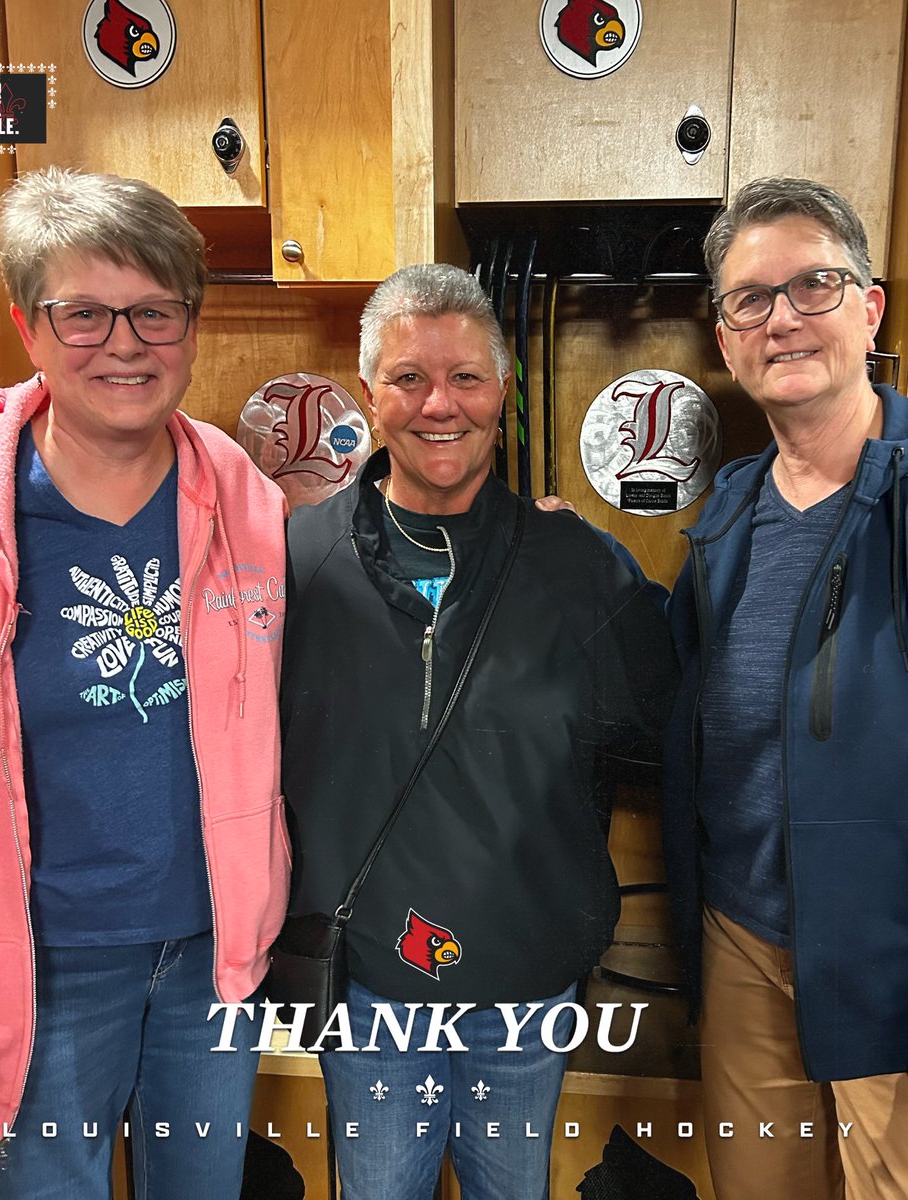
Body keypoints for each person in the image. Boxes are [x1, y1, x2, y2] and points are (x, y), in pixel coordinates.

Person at [280, 263, 679, 1200]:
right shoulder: (296, 562)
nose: (438, 404)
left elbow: (663, 717)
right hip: (367, 983)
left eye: (465, 377)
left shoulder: (579, 564)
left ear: (503, 390)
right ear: (368, 389)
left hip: (526, 980)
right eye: (409, 377)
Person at [0, 167, 290, 1199]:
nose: (126, 344)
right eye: (85, 313)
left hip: (209, 958)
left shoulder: (247, 498)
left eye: (155, 312)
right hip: (31, 967)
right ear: (28, 326)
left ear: (190, 325)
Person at [663, 176, 908, 1200]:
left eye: (815, 283)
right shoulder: (724, 522)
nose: (784, 318)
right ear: (725, 339)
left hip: (889, 959)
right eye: (750, 300)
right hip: (744, 945)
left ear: (870, 306)